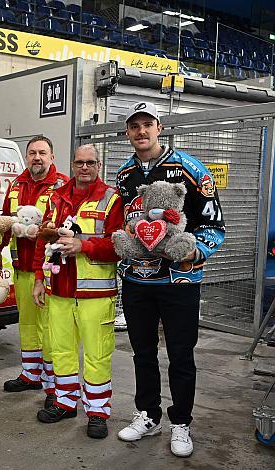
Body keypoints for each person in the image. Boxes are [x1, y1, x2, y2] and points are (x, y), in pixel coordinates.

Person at [115, 102, 225, 457]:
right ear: (128, 132)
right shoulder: (124, 174)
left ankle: (181, 422)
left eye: (147, 124)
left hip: (180, 283)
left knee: (180, 355)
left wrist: (195, 252)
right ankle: (149, 415)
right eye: (134, 126)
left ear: (159, 128)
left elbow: (213, 225)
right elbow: (123, 225)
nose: (141, 131)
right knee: (142, 353)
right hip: (137, 282)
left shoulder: (191, 169)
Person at [33, 144, 123, 439]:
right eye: (79, 162)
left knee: (97, 354)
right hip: (58, 289)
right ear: (72, 164)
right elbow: (42, 240)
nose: (84, 167)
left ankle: (97, 412)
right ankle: (65, 403)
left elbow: (119, 246)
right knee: (61, 350)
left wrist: (83, 245)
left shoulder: (112, 199)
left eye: (90, 163)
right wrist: (38, 279)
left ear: (99, 165)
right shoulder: (57, 198)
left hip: (95, 294)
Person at [0, 136, 68, 407]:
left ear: (52, 156)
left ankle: (52, 384)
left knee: (49, 327)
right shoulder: (16, 184)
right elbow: (4, 219)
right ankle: (30, 374)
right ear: (26, 157)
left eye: (42, 153)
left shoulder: (62, 185)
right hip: (21, 268)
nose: (37, 157)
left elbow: (63, 225)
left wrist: (42, 231)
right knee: (26, 324)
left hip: (49, 271)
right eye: (32, 153)